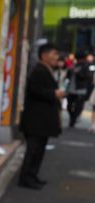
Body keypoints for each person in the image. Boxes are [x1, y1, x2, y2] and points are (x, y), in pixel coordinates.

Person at [19, 43, 64, 190]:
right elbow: (35, 90)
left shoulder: (46, 70)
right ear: (44, 55)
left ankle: (32, 176)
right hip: (36, 120)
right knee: (34, 149)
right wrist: (54, 94)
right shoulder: (39, 70)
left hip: (41, 120)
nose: (56, 57)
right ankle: (27, 177)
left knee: (39, 149)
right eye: (54, 53)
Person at [66, 51, 94, 127]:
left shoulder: (87, 66)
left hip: (81, 89)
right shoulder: (74, 65)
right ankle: (72, 118)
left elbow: (88, 76)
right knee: (69, 105)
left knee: (78, 106)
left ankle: (73, 120)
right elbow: (68, 75)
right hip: (71, 88)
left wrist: (77, 73)